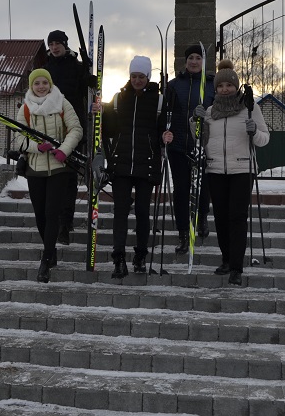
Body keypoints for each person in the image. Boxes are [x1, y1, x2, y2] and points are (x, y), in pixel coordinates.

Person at [191, 60, 270, 285]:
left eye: (229, 85)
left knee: (237, 217)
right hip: (215, 169)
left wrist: (254, 132)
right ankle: (226, 259)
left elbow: (264, 138)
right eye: (221, 85)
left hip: (242, 170)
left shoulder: (249, 108)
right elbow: (199, 137)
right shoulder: (209, 112)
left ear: (236, 86)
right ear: (215, 89)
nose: (225, 89)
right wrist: (194, 120)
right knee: (221, 218)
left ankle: (236, 266)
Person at [97, 56, 173, 279]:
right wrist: (98, 113)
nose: (137, 80)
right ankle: (118, 258)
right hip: (121, 163)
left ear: (148, 77)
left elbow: (163, 131)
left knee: (142, 212)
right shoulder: (119, 98)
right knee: (120, 212)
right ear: (129, 77)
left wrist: (166, 136)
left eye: (141, 76)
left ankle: (140, 254)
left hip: (147, 164)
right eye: (133, 76)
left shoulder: (159, 101)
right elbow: (108, 129)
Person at [14, 68, 83, 283]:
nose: (41, 86)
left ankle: (45, 259)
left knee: (52, 212)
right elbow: (19, 137)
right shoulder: (25, 108)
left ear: (50, 84)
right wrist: (36, 147)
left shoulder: (62, 103)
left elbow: (76, 129)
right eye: (37, 83)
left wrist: (64, 149)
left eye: (45, 82)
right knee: (40, 215)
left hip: (59, 167)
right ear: (31, 86)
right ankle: (50, 249)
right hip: (35, 169)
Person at [44, 30, 96, 245]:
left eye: (58, 43)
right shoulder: (44, 69)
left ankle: (66, 224)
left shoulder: (76, 67)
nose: (55, 47)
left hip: (73, 129)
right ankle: (53, 222)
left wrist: (89, 76)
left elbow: (89, 88)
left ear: (65, 45)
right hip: (49, 128)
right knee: (51, 178)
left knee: (68, 179)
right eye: (52, 43)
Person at [166, 44, 215, 254]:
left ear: (203, 62)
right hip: (178, 145)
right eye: (190, 58)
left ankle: (202, 216)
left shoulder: (211, 85)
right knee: (182, 190)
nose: (194, 61)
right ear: (185, 62)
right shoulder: (175, 85)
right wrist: (165, 133)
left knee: (203, 187)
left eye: (198, 58)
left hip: (203, 144)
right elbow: (166, 113)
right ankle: (183, 232)